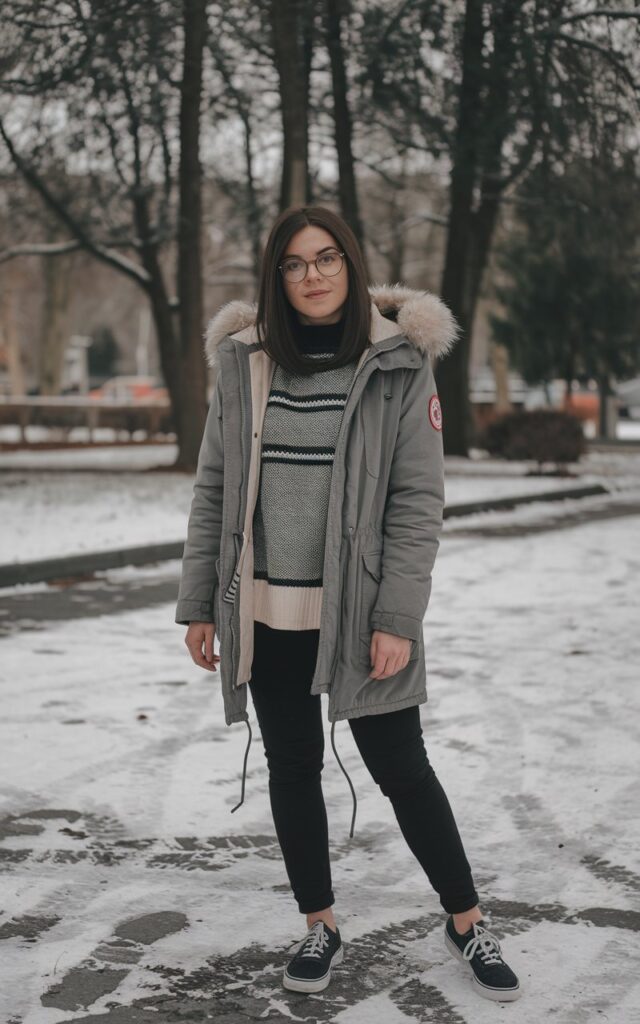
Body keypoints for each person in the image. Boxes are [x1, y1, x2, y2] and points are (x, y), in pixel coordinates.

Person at [175, 205, 522, 1002]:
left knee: (401, 766)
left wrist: (398, 618)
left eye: (326, 258)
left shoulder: (398, 362)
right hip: (266, 611)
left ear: (351, 264)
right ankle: (319, 921)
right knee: (293, 766)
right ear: (277, 277)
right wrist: (200, 602)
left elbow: (416, 503)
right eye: (294, 264)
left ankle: (467, 919)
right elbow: (214, 491)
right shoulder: (246, 361)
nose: (313, 276)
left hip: (364, 613)